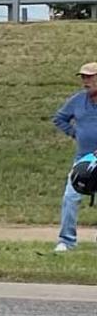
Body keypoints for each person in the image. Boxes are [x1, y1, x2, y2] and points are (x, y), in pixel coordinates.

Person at [51, 62, 97, 252]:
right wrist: (74, 133)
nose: (85, 81)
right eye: (83, 77)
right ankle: (67, 241)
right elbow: (59, 118)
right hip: (84, 160)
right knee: (70, 197)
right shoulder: (77, 100)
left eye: (89, 77)